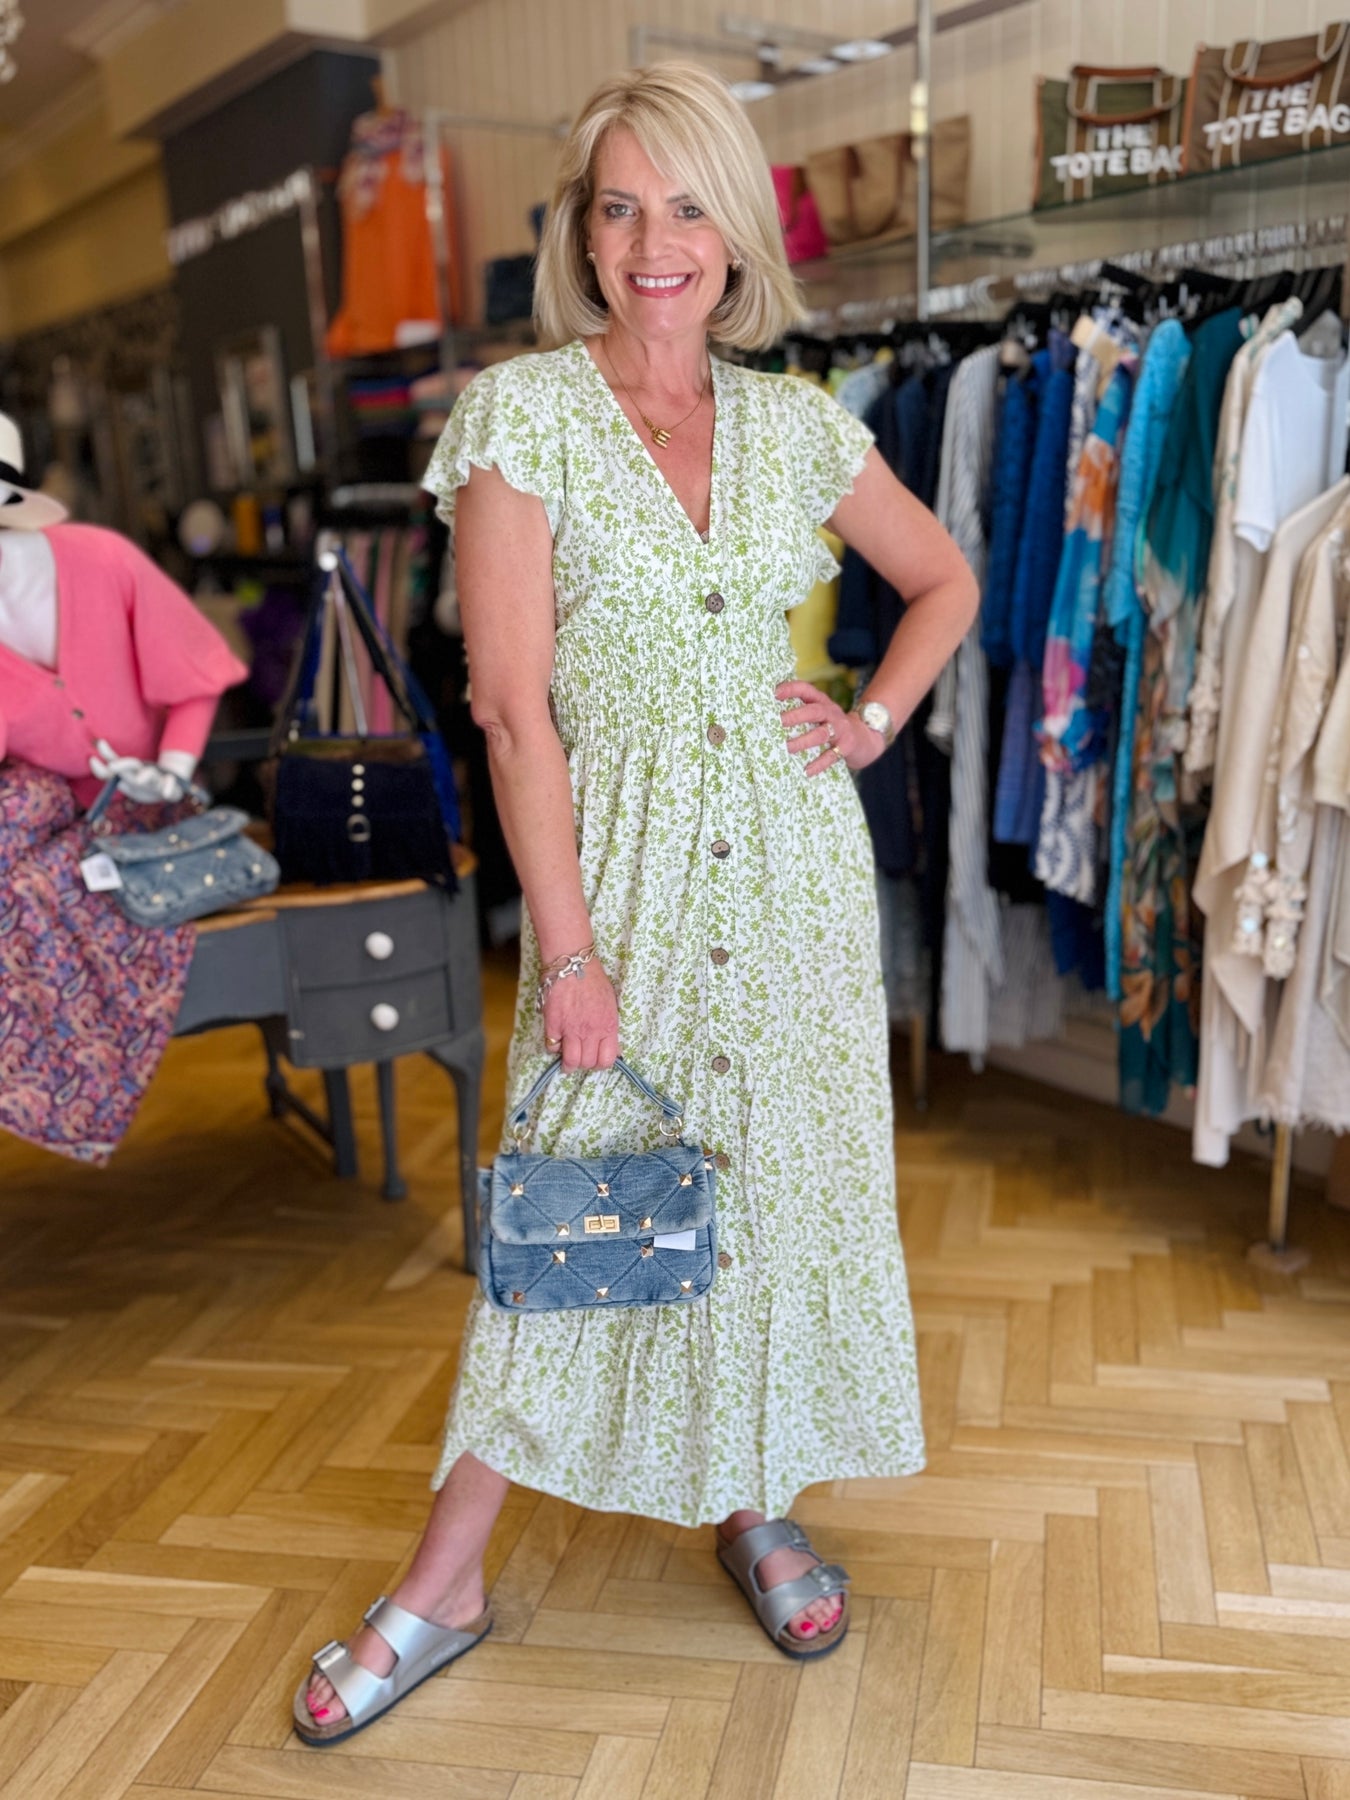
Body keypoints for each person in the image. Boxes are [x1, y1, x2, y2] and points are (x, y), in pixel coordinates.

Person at [296, 60, 977, 1743]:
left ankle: (750, 1497)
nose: (651, 241)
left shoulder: (797, 422)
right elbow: (511, 715)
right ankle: (446, 1580)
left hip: (795, 879)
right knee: (571, 1220)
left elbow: (943, 580)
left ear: (732, 232)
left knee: (773, 1200)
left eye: (682, 206)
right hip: (624, 883)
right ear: (583, 235)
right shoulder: (522, 415)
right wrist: (571, 955)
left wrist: (870, 720)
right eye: (618, 207)